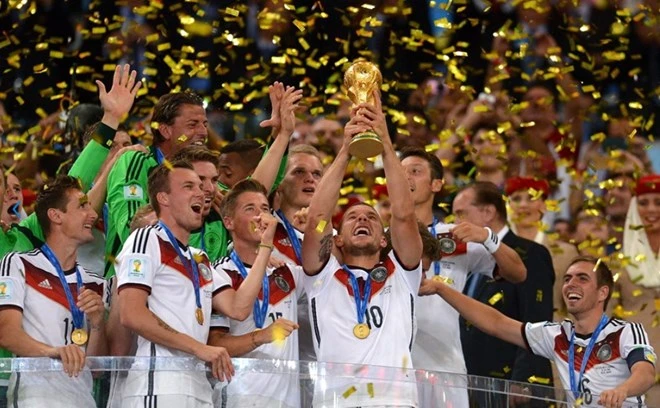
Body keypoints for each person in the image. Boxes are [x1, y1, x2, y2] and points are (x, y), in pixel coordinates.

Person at [302, 92, 423, 407]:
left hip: (396, 403)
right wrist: (346, 149)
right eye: (352, 217)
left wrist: (385, 143)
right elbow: (317, 218)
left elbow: (404, 214)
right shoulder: (322, 277)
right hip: (335, 403)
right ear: (337, 240)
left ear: (384, 240)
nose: (362, 220)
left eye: (371, 217)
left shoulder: (403, 274)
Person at [423, 256, 657, 408]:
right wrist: (442, 289)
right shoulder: (558, 335)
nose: (571, 284)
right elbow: (496, 323)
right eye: (567, 279)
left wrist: (622, 391)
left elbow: (646, 373)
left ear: (602, 293)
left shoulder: (626, 331)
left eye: (582, 278)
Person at [399, 146, 526, 406]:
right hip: (392, 368)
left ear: (436, 184)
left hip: (445, 367)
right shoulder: (378, 237)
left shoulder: (455, 236)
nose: (406, 178)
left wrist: (488, 238)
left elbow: (518, 273)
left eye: (415, 171)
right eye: (400, 172)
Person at [0, 175, 107, 407]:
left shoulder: (97, 283)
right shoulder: (20, 264)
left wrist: (98, 324)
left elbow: (97, 369)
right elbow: (6, 333)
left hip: (83, 400)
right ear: (56, 216)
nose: (93, 214)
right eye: (83, 207)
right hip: (34, 398)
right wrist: (53, 352)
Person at [453, 182, 555, 407]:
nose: (456, 222)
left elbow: (536, 318)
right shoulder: (468, 256)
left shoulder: (529, 253)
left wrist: (523, 378)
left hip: (512, 384)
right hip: (477, 382)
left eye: (461, 213)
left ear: (488, 212)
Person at [208, 179, 303, 407]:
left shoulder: (288, 272)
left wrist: (316, 226)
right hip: (237, 398)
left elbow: (329, 268)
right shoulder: (219, 274)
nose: (260, 216)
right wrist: (261, 336)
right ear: (228, 222)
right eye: (250, 209)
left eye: (265, 209)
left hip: (287, 402)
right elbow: (214, 344)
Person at [271, 143, 324, 363]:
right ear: (279, 183)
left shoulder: (332, 238)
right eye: (299, 172)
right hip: (273, 354)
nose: (310, 179)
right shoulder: (262, 233)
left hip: (321, 357)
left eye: (317, 174)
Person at [505, 176, 579, 319]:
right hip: (504, 328)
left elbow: (575, 301)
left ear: (544, 206)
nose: (523, 205)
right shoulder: (498, 248)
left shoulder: (566, 252)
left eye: (531, 198)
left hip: (554, 328)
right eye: (516, 199)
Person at [618, 174, 660, 404]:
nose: (651, 209)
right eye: (643, 203)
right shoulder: (617, 263)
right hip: (635, 373)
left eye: (658, 202)